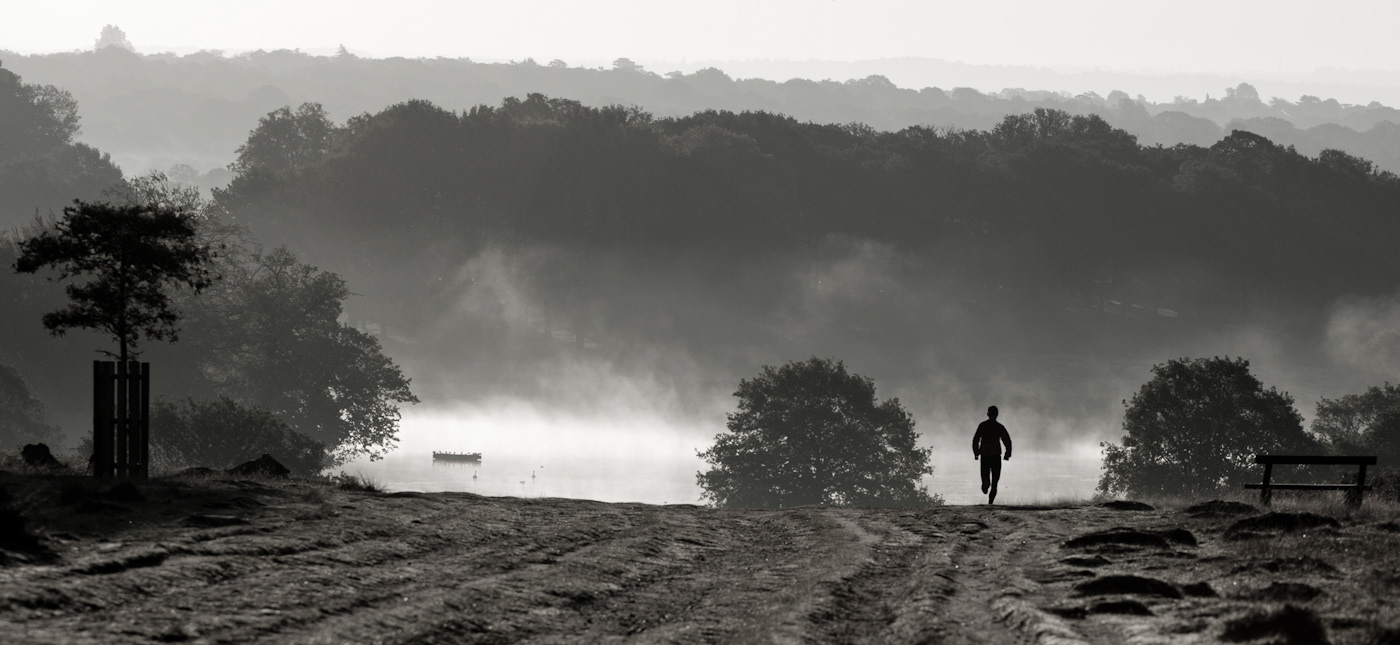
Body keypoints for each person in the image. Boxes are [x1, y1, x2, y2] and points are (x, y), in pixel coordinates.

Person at [972, 406, 1012, 504]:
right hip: (996, 456)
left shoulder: (982, 425)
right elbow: (1007, 440)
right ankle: (990, 503)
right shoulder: (999, 427)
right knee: (995, 482)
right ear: (997, 414)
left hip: (985, 455)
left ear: (988, 414)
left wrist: (976, 452)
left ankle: (985, 484)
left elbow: (976, 440)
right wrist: (1007, 454)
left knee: (985, 475)